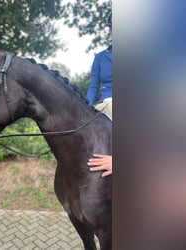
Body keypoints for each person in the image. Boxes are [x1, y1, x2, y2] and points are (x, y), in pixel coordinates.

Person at [86, 13, 112, 177]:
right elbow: (93, 86)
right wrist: (85, 109)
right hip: (105, 104)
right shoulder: (100, 57)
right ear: (110, 30)